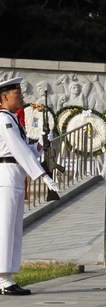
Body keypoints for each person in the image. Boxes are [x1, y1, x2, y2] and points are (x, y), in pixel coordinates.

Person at [0, 77, 59, 295]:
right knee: (5, 229)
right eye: (17, 93)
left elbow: (27, 150)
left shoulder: (12, 119)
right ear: (5, 97)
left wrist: (41, 144)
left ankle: (7, 278)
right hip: (5, 178)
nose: (22, 96)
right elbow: (18, 151)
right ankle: (4, 280)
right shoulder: (3, 119)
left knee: (13, 229)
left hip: (14, 177)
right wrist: (44, 176)